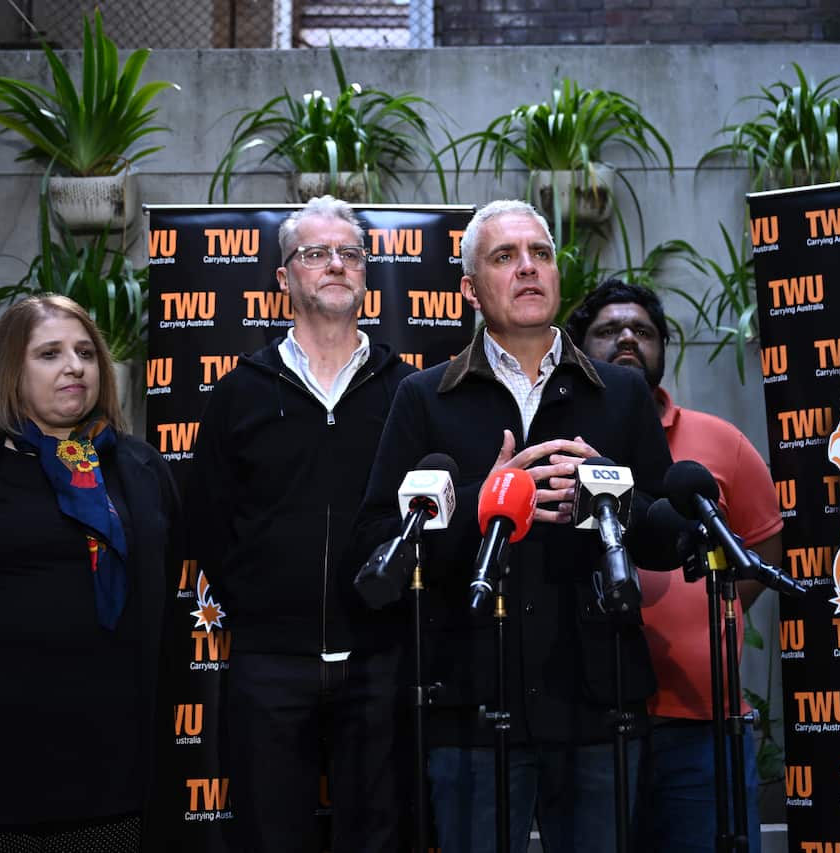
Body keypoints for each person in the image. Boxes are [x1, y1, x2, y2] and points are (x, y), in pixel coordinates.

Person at [355, 200, 673, 853]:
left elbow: (665, 540)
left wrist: (611, 496)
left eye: (540, 254)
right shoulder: (424, 396)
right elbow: (374, 545)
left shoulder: (620, 393)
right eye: (505, 257)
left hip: (597, 702)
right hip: (469, 706)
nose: (528, 268)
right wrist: (478, 502)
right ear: (470, 289)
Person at [0, 294, 181, 852]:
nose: (74, 366)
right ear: (10, 374)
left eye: (85, 352)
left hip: (106, 768)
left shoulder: (141, 470)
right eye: (49, 353)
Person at [188, 195, 416, 853]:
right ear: (284, 277)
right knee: (267, 836)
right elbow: (207, 517)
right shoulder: (239, 392)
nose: (336, 264)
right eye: (316, 253)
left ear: (366, 274)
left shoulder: (405, 390)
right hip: (268, 663)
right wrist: (257, 607)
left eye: (349, 253)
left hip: (378, 659)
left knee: (378, 837)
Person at [567, 279, 782, 853]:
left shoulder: (721, 441)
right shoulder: (561, 443)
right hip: (592, 721)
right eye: (608, 331)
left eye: (642, 331)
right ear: (578, 348)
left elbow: (763, 549)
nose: (627, 340)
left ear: (664, 346)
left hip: (701, 720)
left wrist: (716, 609)